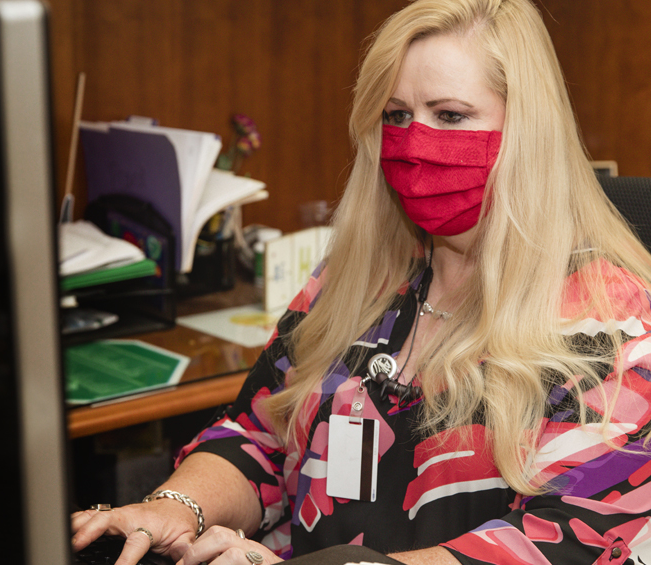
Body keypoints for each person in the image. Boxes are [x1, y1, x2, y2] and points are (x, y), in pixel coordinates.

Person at [70, 0, 651, 563]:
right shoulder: (358, 281)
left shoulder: (612, 330)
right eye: (396, 115)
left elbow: (566, 540)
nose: (414, 141)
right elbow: (259, 437)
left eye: (449, 115)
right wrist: (177, 506)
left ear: (529, 132)